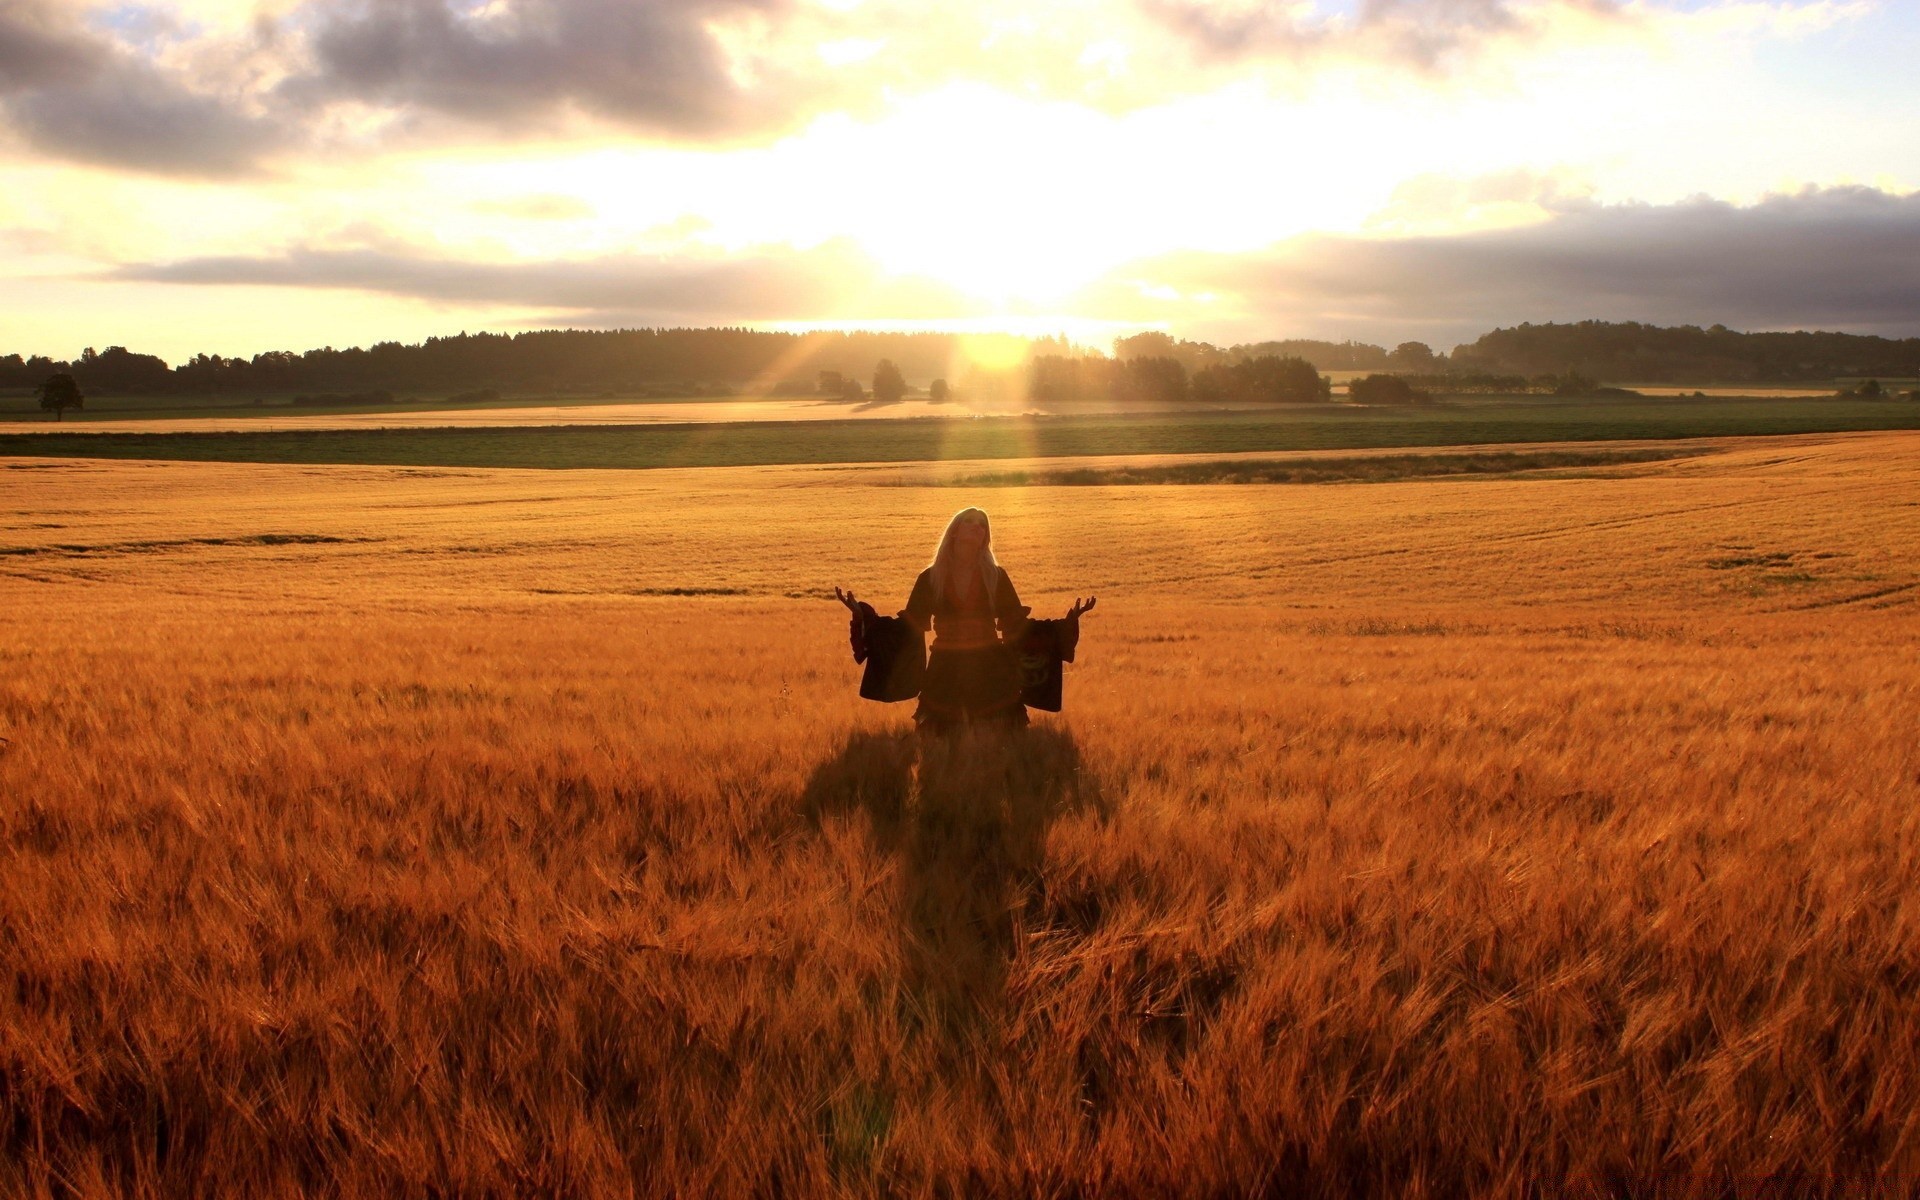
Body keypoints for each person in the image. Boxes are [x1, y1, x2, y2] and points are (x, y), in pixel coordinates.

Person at [837, 508, 1095, 734]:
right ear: (954, 531)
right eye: (970, 521)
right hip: (945, 669)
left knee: (1000, 739)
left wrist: (1065, 624)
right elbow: (908, 626)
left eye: (982, 525)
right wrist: (863, 616)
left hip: (991, 666)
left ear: (985, 537)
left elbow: (1017, 625)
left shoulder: (996, 576)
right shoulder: (930, 578)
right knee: (939, 741)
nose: (977, 527)